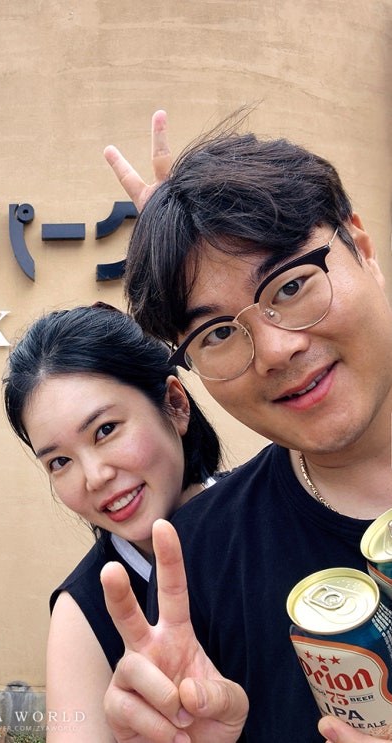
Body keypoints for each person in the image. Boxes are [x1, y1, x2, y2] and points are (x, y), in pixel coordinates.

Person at [100, 111, 392, 743]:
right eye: (218, 333)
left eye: (290, 286)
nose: (276, 351)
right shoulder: (198, 561)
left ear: (362, 249)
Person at [2, 303, 223, 741]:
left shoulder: (279, 504)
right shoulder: (82, 616)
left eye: (105, 430)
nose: (94, 476)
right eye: (60, 461)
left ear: (175, 405)